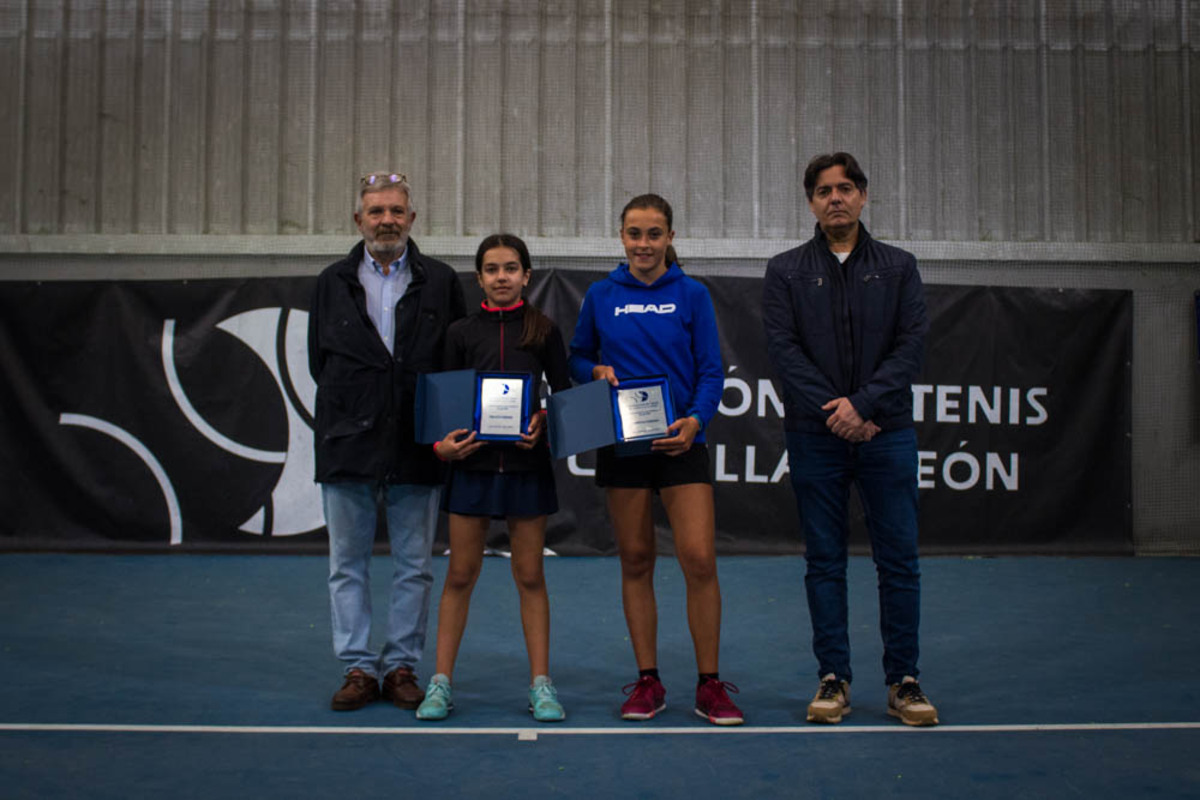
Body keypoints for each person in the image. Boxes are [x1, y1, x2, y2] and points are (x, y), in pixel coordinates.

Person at [762, 152, 938, 726]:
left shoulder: (900, 267)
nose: (834, 198)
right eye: (822, 191)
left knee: (899, 562)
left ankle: (904, 681)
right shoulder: (785, 270)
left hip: (886, 432)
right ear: (810, 202)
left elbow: (910, 345)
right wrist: (837, 411)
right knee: (824, 562)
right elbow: (785, 352)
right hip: (816, 436)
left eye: (844, 188)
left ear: (863, 196)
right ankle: (832, 678)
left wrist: (863, 405)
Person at [569, 193, 743, 726]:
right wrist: (594, 372)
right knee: (637, 559)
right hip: (623, 444)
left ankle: (710, 685)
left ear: (670, 237)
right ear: (621, 237)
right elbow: (577, 356)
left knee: (698, 559)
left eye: (654, 233)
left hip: (681, 443)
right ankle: (647, 681)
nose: (644, 244)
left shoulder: (691, 294)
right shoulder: (601, 295)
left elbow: (711, 370)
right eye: (634, 233)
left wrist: (695, 422)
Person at [308, 171, 466, 712]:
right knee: (346, 564)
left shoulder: (442, 282)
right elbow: (319, 362)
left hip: (417, 444)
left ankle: (400, 666)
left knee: (414, 566)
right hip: (346, 443)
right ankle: (357, 667)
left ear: (412, 219)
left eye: (396, 211)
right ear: (359, 220)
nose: (387, 221)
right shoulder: (331, 282)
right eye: (376, 212)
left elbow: (454, 365)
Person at [415, 233, 570, 723]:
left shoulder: (544, 330)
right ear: (478, 277)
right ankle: (439, 683)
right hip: (473, 470)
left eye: (510, 268)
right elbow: (441, 402)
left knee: (530, 575)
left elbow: (563, 396)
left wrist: (544, 421)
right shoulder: (460, 333)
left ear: (527, 274)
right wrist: (442, 445)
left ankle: (541, 685)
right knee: (460, 574)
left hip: (527, 469)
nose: (501, 277)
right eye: (491, 269)